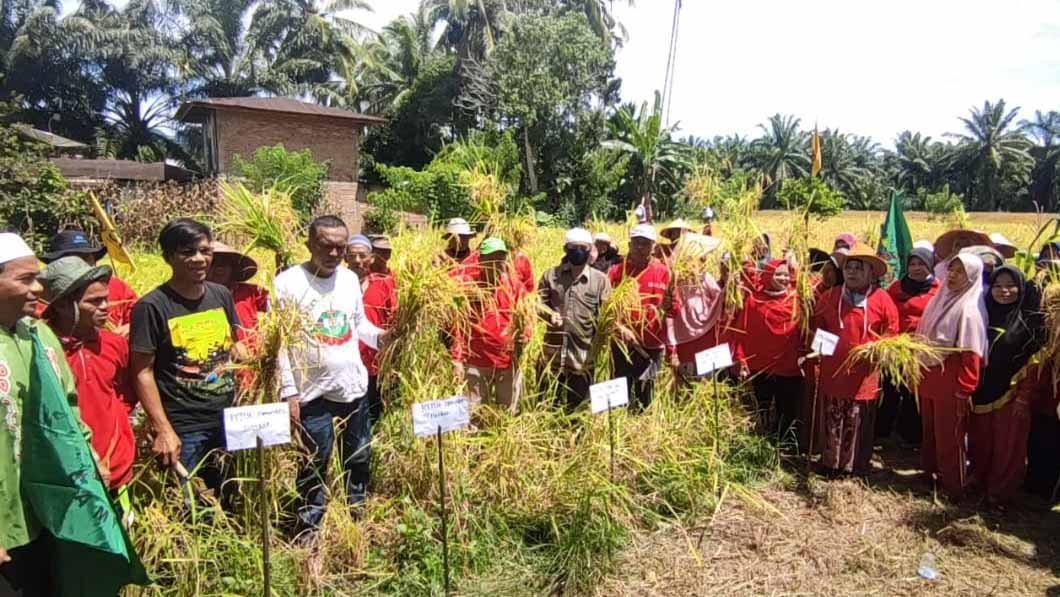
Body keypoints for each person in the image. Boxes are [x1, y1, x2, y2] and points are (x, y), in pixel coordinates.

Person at [0, 233, 146, 595]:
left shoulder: (39, 337)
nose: (37, 288)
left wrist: (91, 458)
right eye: (24, 279)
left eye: (37, 278)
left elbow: (69, 410)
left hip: (50, 507)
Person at [274, 216, 386, 537]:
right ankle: (310, 525)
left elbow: (359, 325)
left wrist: (384, 337)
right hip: (311, 394)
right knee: (314, 461)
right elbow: (280, 341)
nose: (335, 254)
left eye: (341, 247)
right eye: (327, 246)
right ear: (309, 244)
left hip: (352, 387)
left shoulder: (349, 280)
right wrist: (289, 392)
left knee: (358, 455)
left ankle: (356, 516)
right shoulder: (288, 283)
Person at [129, 219, 244, 508]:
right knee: (188, 506)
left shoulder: (220, 295)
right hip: (184, 426)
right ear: (168, 257)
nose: (198, 259)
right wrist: (163, 429)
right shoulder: (151, 306)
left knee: (229, 496)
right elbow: (142, 372)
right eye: (187, 252)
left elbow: (235, 344)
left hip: (227, 418)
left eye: (204, 251)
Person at [40, 257, 137, 495]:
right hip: (68, 473)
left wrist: (118, 428)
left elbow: (126, 393)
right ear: (62, 305)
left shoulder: (114, 344)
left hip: (117, 467)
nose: (106, 306)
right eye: (94, 302)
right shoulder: (43, 349)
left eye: (106, 298)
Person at [811, 245, 899, 476]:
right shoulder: (831, 296)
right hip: (834, 372)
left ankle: (854, 466)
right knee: (833, 417)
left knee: (858, 420)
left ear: (870, 273)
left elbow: (891, 332)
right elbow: (817, 325)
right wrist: (820, 349)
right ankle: (831, 463)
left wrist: (877, 348)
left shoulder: (882, 299)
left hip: (864, 376)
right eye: (849, 267)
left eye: (859, 269)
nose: (852, 272)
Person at [969, 266, 1044, 507]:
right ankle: (978, 480)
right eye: (998, 286)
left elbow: (1034, 363)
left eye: (1010, 286)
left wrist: (1024, 396)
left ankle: (998, 494)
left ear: (1021, 288)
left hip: (1011, 394)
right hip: (981, 390)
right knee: (981, 441)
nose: (1004, 291)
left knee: (1008, 447)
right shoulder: (982, 313)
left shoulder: (1029, 322)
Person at [915, 254, 988, 500]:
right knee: (930, 432)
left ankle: (953, 486)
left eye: (960, 272)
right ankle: (930, 473)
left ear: (973, 277)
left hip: (951, 384)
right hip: (930, 377)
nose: (953, 276)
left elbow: (972, 354)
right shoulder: (940, 299)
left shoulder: (969, 309)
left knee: (950, 437)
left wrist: (964, 388)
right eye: (951, 270)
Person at [538, 228, 612, 410]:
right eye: (573, 247)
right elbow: (536, 304)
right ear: (566, 249)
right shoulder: (551, 276)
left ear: (589, 250)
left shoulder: (600, 280)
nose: (578, 251)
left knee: (578, 407)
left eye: (583, 247)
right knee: (547, 404)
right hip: (552, 354)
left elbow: (606, 316)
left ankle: (576, 437)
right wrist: (549, 314)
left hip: (583, 355)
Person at [452, 237, 527, 414]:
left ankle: (505, 441)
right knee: (474, 414)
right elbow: (459, 326)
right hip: (476, 363)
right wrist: (457, 359)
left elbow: (527, 317)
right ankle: (474, 442)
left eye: (500, 258)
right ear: (480, 260)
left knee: (507, 413)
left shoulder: (513, 286)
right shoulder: (469, 287)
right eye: (491, 258)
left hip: (508, 363)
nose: (497, 263)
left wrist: (525, 337)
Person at [734, 258, 803, 443]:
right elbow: (742, 331)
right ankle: (761, 444)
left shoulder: (797, 299)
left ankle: (783, 446)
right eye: (778, 274)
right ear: (767, 275)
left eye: (786, 275)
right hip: (760, 365)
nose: (783, 278)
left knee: (786, 409)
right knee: (761, 406)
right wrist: (741, 360)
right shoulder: (754, 300)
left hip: (788, 365)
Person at [876, 247, 939, 445]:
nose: (916, 268)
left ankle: (910, 435)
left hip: (922, 349)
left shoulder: (939, 289)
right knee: (890, 389)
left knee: (914, 393)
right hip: (895, 346)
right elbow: (885, 310)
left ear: (930, 265)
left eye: (921, 264)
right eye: (912, 264)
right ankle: (883, 431)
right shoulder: (896, 288)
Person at [609, 224, 674, 412]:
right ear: (629, 244)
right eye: (636, 243)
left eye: (645, 243)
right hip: (622, 345)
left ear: (653, 246)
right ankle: (618, 433)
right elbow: (606, 309)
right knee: (619, 395)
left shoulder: (664, 272)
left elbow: (673, 311)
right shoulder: (616, 272)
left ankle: (641, 431)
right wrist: (620, 328)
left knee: (645, 396)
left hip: (652, 346)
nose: (640, 247)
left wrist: (669, 305)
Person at [41, 229, 139, 336]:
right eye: (71, 259)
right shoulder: (42, 294)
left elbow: (141, 316)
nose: (80, 264)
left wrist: (130, 327)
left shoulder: (118, 287)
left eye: (85, 258)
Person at [348, 235, 398, 426]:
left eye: (362, 256)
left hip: (376, 361)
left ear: (371, 258)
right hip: (347, 363)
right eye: (352, 256)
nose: (357, 261)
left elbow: (394, 318)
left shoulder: (384, 284)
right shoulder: (334, 285)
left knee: (375, 413)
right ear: (345, 258)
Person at [666, 233, 724, 380]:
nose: (702, 262)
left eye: (702, 259)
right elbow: (669, 314)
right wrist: (671, 349)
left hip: (707, 337)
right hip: (683, 340)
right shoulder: (675, 283)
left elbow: (720, 301)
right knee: (688, 379)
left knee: (709, 380)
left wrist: (730, 285)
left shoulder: (706, 278)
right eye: (698, 259)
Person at [207, 241, 269, 346]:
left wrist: (282, 271)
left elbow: (279, 304)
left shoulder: (250, 291)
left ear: (232, 268)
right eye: (213, 263)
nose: (219, 268)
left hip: (254, 355)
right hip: (220, 357)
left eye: (224, 263)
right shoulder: (196, 297)